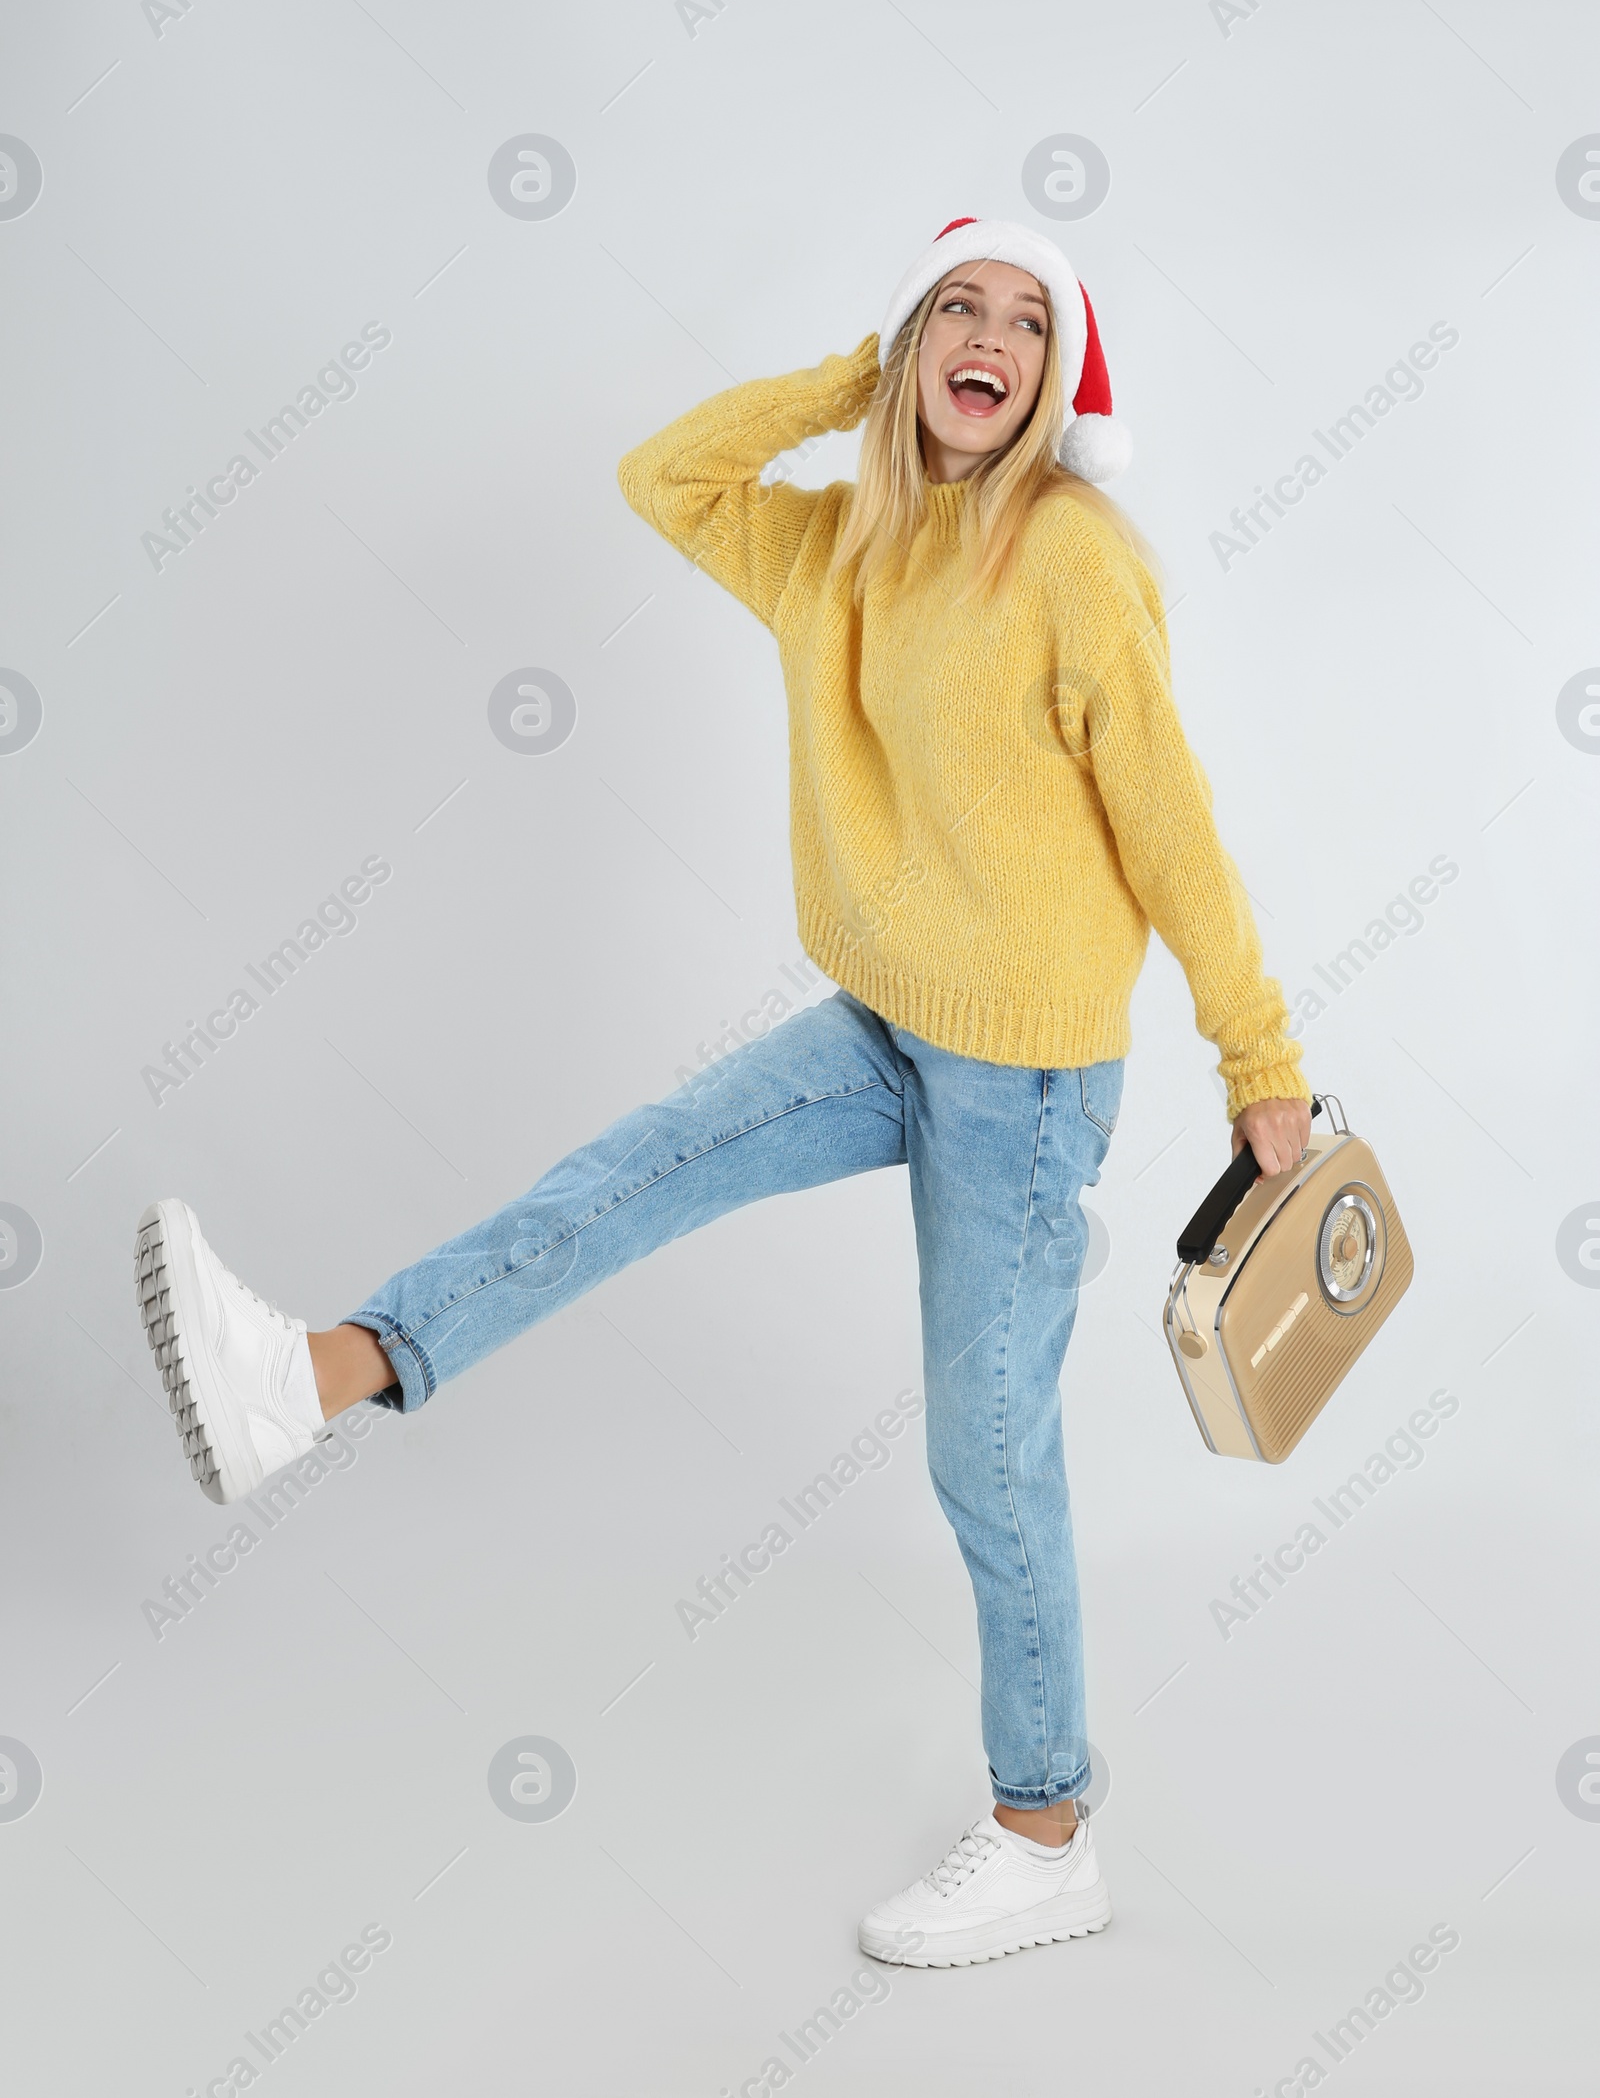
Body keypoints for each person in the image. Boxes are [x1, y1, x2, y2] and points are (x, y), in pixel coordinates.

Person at [132, 216, 1311, 1970]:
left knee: (985, 1456)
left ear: (1058, 377)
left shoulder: (1073, 561)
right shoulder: (837, 545)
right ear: (910, 344)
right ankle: (319, 1378)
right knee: (634, 1168)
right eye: (952, 313)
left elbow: (1175, 825)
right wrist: (856, 386)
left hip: (1030, 1076)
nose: (986, 338)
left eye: (1020, 322)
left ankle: (1047, 1826)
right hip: (890, 1019)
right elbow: (660, 472)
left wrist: (1262, 1069)